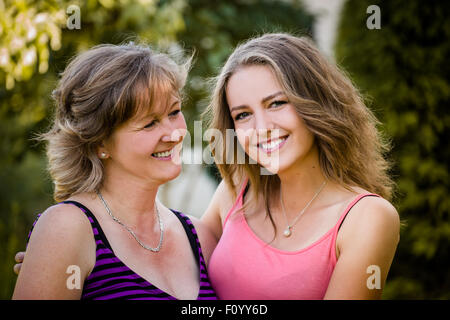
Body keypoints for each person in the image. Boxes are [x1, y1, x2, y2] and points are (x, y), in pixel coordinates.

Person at [200, 33, 400, 299]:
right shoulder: (237, 190)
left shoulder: (367, 217)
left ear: (317, 103)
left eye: (277, 103)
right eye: (243, 115)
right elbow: (173, 264)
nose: (261, 129)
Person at [12, 43, 217, 300]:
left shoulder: (199, 237)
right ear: (100, 143)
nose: (174, 133)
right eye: (149, 123)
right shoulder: (66, 228)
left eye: (174, 112)